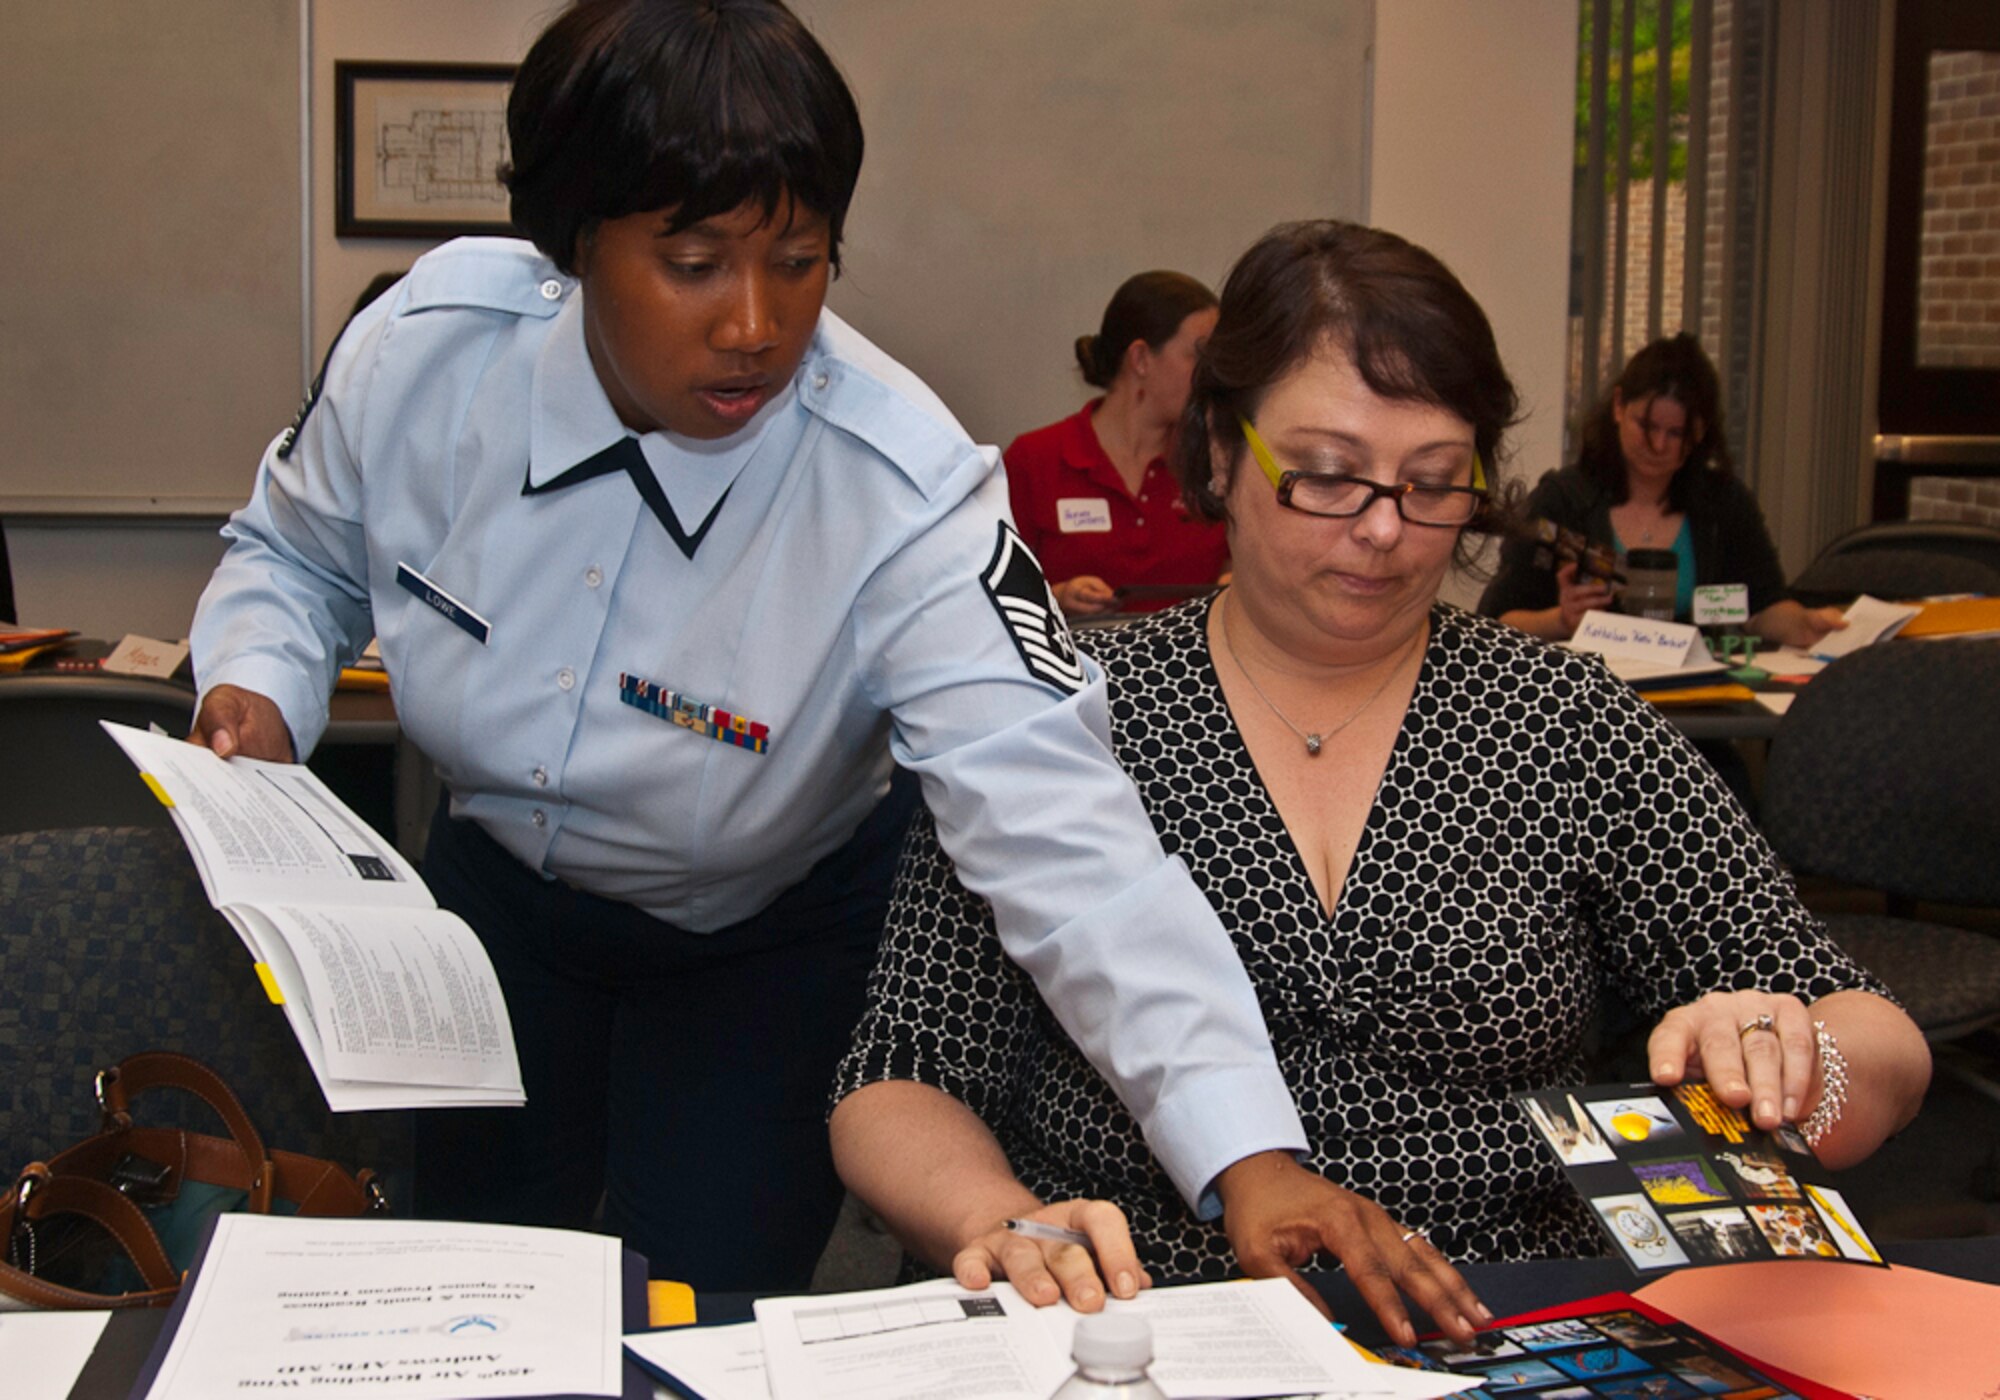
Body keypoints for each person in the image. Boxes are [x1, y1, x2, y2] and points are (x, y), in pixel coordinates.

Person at [187, 0, 1312, 1292]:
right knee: (476, 1286)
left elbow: (1075, 846)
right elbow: (293, 556)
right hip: (495, 917)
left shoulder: (905, 490)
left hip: (761, 944)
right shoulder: (429, 356)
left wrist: (1245, 1152)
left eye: (800, 259)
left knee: (708, 1309)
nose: (755, 326)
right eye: (696, 260)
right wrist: (257, 688)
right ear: (574, 241)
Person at [828, 221, 1930, 1347]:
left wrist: (1801, 1060)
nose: (1383, 530)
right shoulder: (1065, 720)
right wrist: (1001, 1221)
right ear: (1218, 450)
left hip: (1506, 1318)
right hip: (1142, 1320)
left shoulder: (1563, 721)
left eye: (1433, 483)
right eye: (1325, 476)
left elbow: (1873, 1036)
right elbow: (900, 1074)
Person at [1478, 333, 1845, 648]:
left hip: (1700, 711)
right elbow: (1497, 622)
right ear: (1619, 406)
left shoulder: (1723, 505)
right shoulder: (1563, 502)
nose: (1657, 445)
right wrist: (1562, 620)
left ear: (1700, 433)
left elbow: (1763, 606)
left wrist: (1803, 624)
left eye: (1676, 434)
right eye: (1647, 425)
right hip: (1594, 707)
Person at [1005, 272, 1225, 617]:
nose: (1212, 374)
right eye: (1198, 355)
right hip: (1075, 666)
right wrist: (1056, 597)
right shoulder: (1035, 460)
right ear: (1140, 359)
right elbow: (989, 594)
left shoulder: (1214, 460)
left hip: (1188, 665)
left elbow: (1248, 566)